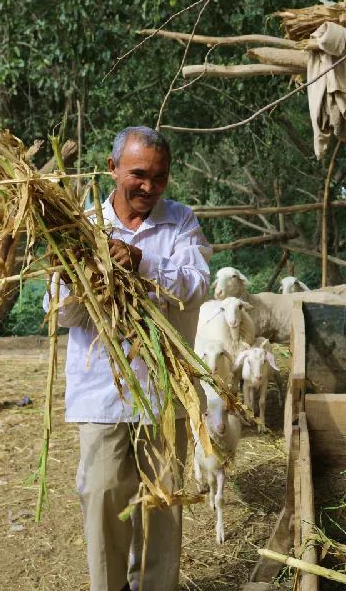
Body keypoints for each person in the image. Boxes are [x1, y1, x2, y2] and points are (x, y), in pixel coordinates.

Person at [44, 126, 211, 591]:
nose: (149, 187)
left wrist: (141, 264)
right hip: (102, 393)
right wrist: (78, 279)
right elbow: (61, 314)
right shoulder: (81, 227)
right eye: (139, 174)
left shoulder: (181, 222)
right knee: (100, 496)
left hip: (163, 392)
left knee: (163, 507)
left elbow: (196, 285)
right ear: (113, 168)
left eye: (160, 178)